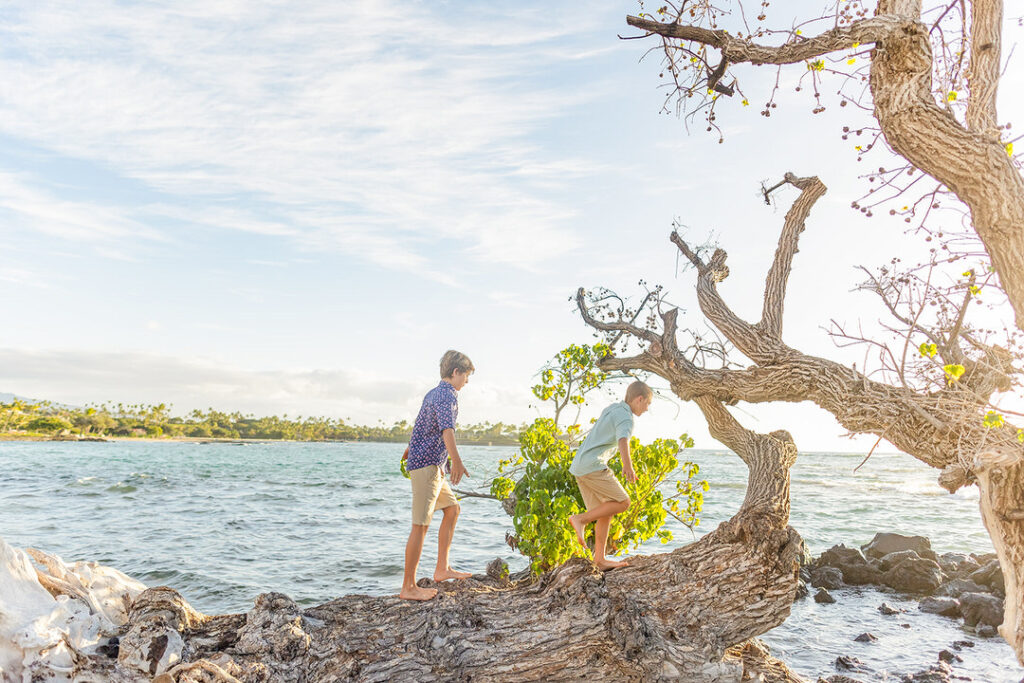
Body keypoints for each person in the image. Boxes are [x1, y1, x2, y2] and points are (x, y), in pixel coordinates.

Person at [399, 350, 475, 601]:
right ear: (455, 372)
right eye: (466, 376)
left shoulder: (433, 393)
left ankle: (442, 568)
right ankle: (408, 587)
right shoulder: (447, 395)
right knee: (420, 526)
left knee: (452, 510)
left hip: (431, 465)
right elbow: (447, 431)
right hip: (428, 466)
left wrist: (412, 447)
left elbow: (421, 425)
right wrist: (458, 462)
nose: (466, 382)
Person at [567, 380, 653, 570]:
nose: (646, 409)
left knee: (606, 510)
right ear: (640, 399)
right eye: (647, 404)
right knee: (623, 502)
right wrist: (627, 466)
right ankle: (580, 519)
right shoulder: (626, 417)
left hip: (580, 466)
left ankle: (600, 560)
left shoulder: (612, 408)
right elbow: (623, 439)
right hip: (593, 465)